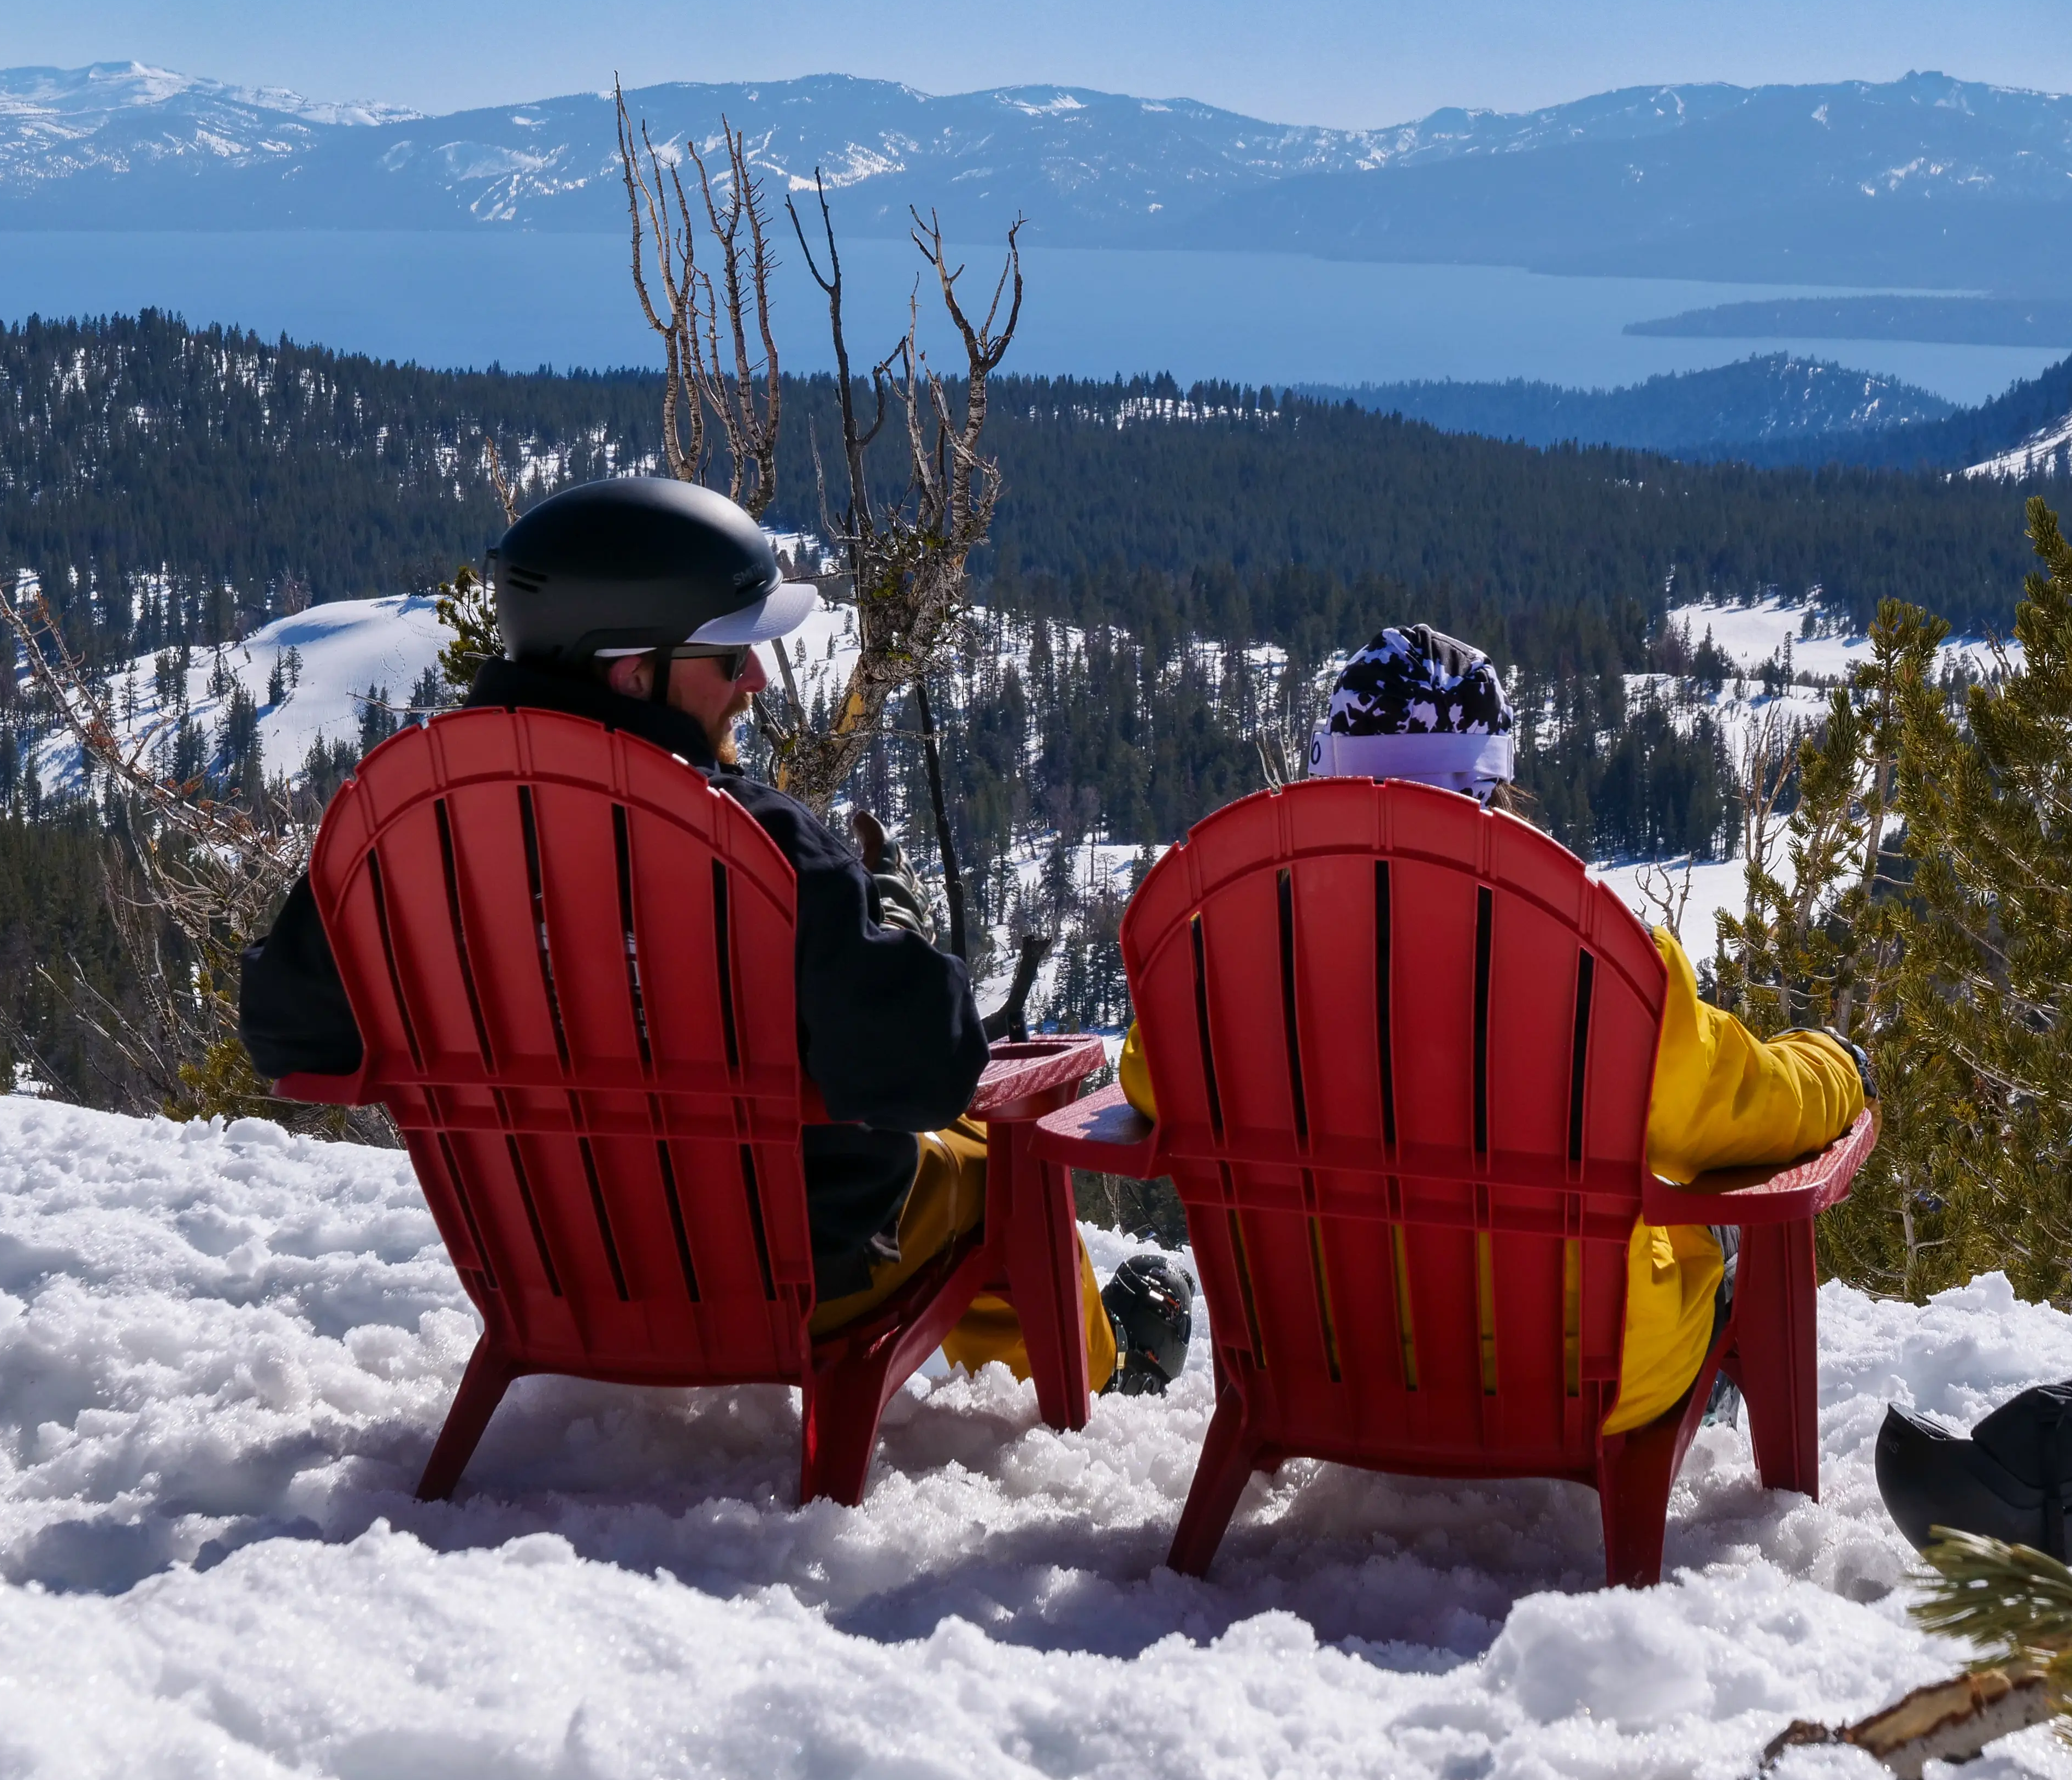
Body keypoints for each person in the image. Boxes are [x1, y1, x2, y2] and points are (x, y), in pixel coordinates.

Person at [239, 474, 1117, 1389]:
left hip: (544, 1270)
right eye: (732, 655)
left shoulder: (409, 832)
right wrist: (891, 920)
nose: (757, 679)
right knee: (983, 1168)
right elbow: (923, 1077)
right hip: (786, 1276)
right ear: (632, 671)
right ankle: (1087, 1392)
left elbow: (289, 1037)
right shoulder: (754, 841)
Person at [1113, 622, 1869, 1434]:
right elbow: (1739, 1111)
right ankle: (1704, 1404)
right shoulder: (1604, 963)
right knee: (1714, 1235)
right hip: (1575, 1374)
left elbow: (1151, 1080)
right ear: (1496, 785)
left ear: (1323, 771)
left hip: (1312, 1355)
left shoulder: (1230, 955)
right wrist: (1833, 1066)